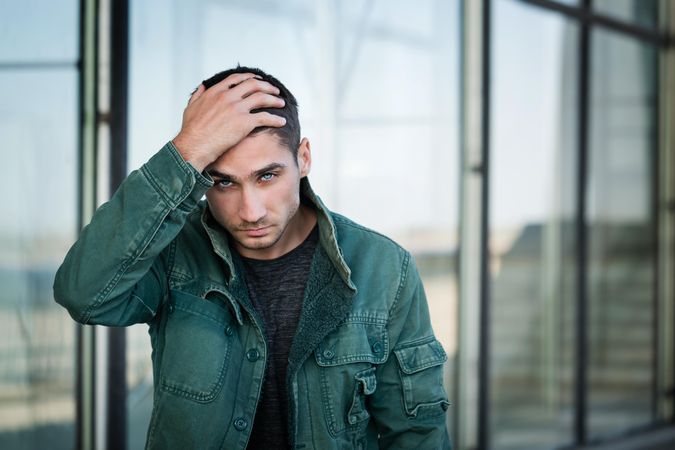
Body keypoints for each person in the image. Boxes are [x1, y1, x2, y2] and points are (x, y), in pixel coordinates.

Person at [54, 66, 451, 449]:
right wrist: (186, 150)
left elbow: (416, 434)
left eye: (267, 176)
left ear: (304, 158)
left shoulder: (384, 269)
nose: (250, 211)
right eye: (223, 181)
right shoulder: (172, 252)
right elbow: (84, 294)